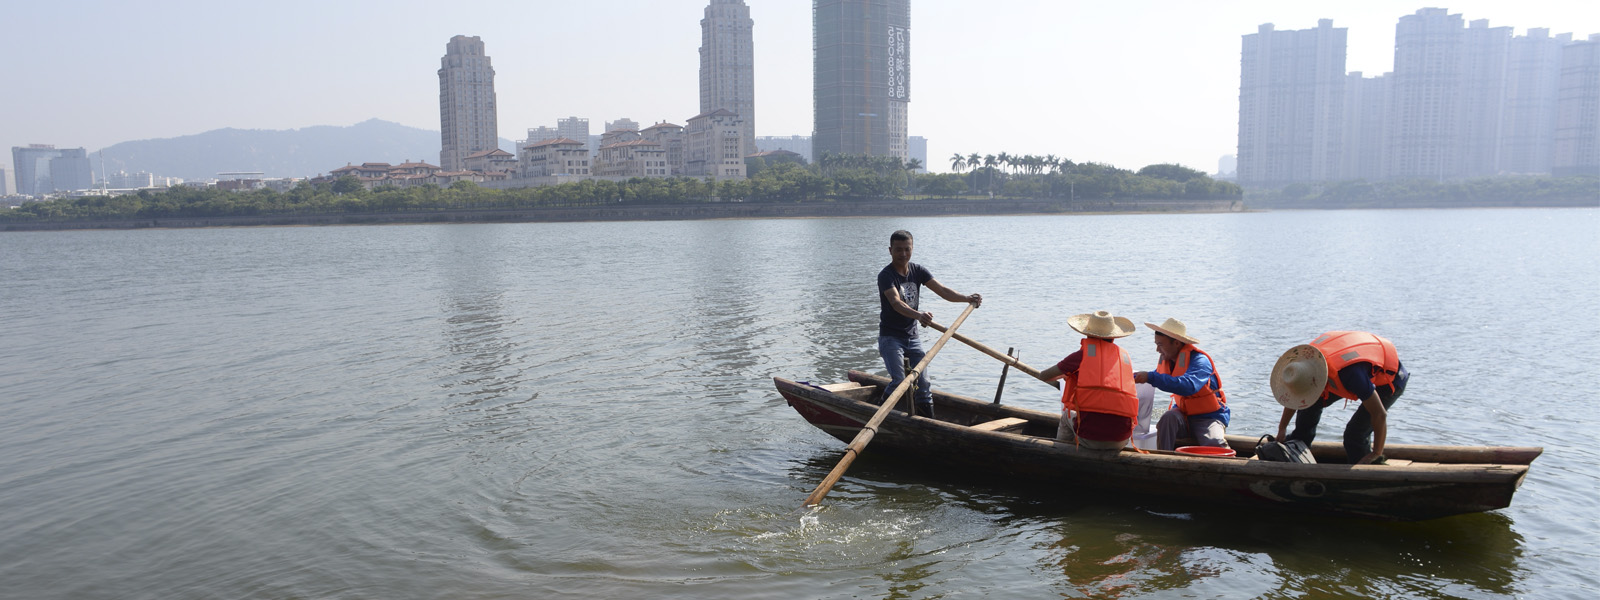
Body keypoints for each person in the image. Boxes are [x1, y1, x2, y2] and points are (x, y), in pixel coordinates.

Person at [877, 230, 982, 418]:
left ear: (912, 249)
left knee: (923, 384)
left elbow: (943, 291)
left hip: (912, 337)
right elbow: (896, 303)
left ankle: (928, 423)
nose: (903, 254)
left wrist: (967, 298)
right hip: (891, 338)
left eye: (907, 249)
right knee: (899, 381)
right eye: (898, 250)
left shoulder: (918, 271)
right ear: (890, 250)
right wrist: (919, 315)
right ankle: (876, 413)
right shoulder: (886, 275)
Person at [1271, 331, 1409, 465]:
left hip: (1390, 378)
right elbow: (1297, 393)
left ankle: (1365, 471)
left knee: (1354, 435)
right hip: (1354, 368)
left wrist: (1377, 452)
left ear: (1318, 378)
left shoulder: (1350, 375)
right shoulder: (1307, 361)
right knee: (1310, 402)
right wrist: (1282, 428)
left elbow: (1379, 415)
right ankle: (1299, 445)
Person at [1038, 310, 1138, 450]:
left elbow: (1044, 376)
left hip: (1090, 438)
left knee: (1066, 417)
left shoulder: (1081, 355)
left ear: (1088, 334)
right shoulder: (1124, 358)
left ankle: (1060, 453)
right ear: (1114, 337)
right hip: (1122, 439)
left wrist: (1067, 375)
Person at [1133, 318, 1230, 451]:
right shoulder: (1167, 360)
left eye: (1160, 344)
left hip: (1209, 417)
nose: (1157, 349)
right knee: (1168, 417)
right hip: (1183, 416)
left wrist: (1149, 377)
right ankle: (1163, 459)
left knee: (1214, 442)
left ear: (1177, 343)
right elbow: (1158, 377)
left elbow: (1188, 386)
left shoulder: (1200, 361)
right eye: (1156, 344)